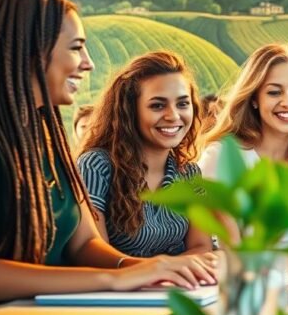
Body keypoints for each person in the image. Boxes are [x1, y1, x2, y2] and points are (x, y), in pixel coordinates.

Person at [0, 0, 214, 310]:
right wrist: (116, 278)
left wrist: (151, 269)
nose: (88, 63)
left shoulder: (48, 142)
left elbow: (84, 245)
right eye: (76, 48)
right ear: (33, 52)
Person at [199, 44, 288, 256]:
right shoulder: (221, 157)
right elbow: (234, 250)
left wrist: (267, 259)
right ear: (255, 99)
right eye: (274, 92)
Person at [77, 51, 214, 258]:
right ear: (130, 111)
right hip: (117, 287)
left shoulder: (189, 173)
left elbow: (202, 246)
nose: (173, 116)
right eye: (157, 105)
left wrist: (169, 273)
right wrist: (157, 271)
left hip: (175, 285)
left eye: (182, 104)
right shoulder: (96, 166)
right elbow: (94, 252)